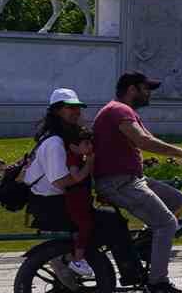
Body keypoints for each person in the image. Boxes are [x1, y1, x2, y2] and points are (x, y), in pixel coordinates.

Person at [93, 72, 182, 293]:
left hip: (131, 178)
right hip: (118, 182)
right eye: (145, 88)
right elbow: (144, 142)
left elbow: (149, 138)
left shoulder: (126, 112)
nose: (149, 93)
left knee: (177, 200)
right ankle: (157, 284)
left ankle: (143, 249)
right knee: (167, 223)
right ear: (132, 89)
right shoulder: (118, 110)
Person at [22, 89, 127, 278]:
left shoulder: (61, 138)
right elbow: (62, 181)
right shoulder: (54, 143)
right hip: (54, 206)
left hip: (57, 203)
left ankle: (86, 259)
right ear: (56, 111)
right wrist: (88, 165)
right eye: (70, 108)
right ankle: (83, 260)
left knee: (109, 220)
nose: (76, 112)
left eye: (78, 108)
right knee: (113, 221)